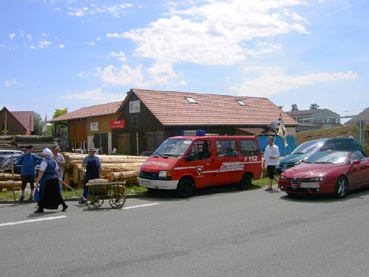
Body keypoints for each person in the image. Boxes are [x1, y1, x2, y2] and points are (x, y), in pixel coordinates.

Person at [34, 148, 68, 213]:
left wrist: (37, 180)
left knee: (43, 193)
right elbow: (56, 170)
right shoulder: (53, 161)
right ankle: (64, 205)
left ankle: (40, 208)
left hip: (47, 180)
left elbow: (41, 172)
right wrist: (58, 178)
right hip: (54, 179)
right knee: (57, 193)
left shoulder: (44, 162)